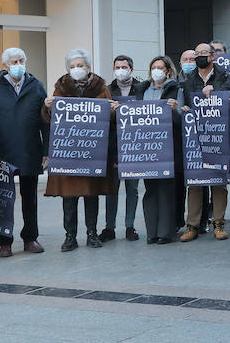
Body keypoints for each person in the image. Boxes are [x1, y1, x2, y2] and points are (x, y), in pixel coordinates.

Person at [42, 49, 115, 252]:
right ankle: (70, 236)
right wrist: (48, 107)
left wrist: (112, 110)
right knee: (69, 196)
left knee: (91, 195)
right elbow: (51, 119)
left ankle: (92, 233)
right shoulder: (61, 87)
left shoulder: (101, 87)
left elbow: (110, 118)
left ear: (89, 67)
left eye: (80, 65)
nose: (77, 69)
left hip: (91, 152)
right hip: (68, 152)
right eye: (73, 66)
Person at [0, 47, 49, 257]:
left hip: (30, 150)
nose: (18, 65)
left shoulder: (36, 86)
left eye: (21, 60)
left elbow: (45, 120)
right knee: (4, 199)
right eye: (13, 62)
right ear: (4, 66)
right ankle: (4, 242)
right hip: (2, 152)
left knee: (30, 199)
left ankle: (30, 238)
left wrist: (46, 151)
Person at [181, 41, 230, 240]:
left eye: (203, 53)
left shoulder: (225, 77)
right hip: (194, 136)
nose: (199, 57)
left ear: (213, 56)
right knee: (195, 181)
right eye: (196, 53)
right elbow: (185, 103)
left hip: (218, 134)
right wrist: (185, 108)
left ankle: (218, 223)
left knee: (219, 181)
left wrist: (217, 93)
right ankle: (192, 225)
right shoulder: (188, 80)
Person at [135, 56, 182, 244]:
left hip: (167, 147)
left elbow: (180, 119)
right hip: (146, 147)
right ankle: (152, 232)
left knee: (166, 191)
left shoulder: (176, 89)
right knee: (150, 190)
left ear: (168, 71)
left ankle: (165, 232)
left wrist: (175, 110)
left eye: (160, 67)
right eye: (153, 67)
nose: (156, 70)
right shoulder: (143, 90)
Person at [102, 54, 141, 241]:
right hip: (113, 146)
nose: (120, 70)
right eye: (117, 67)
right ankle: (109, 227)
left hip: (134, 147)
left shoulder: (141, 88)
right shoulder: (107, 90)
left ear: (131, 69)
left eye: (124, 67)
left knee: (132, 189)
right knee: (112, 188)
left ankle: (130, 226)